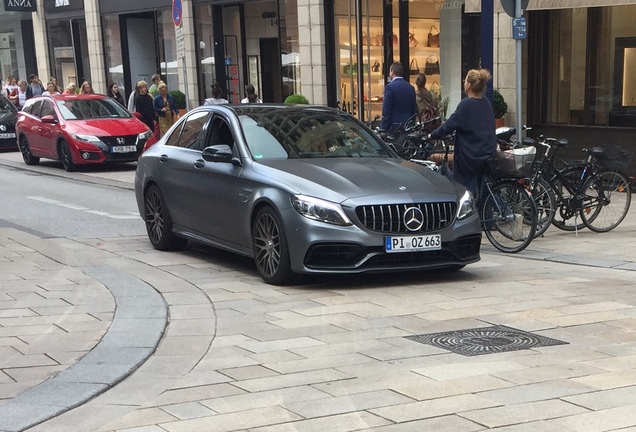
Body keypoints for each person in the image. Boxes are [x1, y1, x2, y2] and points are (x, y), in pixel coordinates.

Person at [428, 68, 496, 197]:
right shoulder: (485, 102)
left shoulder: (466, 104)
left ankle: (465, 214)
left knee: (463, 190)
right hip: (487, 152)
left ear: (469, 85)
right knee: (485, 190)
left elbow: (449, 125)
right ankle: (498, 213)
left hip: (472, 156)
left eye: (465, 81)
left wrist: (432, 135)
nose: (464, 83)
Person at [380, 62, 417, 132]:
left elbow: (386, 110)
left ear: (392, 72)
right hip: (407, 127)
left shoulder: (389, 88)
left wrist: (383, 128)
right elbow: (414, 110)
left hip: (393, 128)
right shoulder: (411, 88)